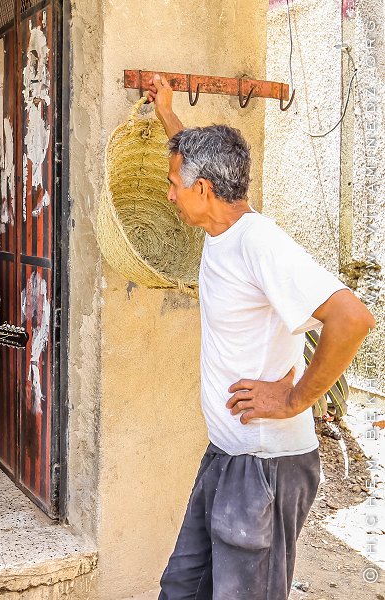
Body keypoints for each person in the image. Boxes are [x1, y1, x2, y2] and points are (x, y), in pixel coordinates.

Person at [146, 75, 376, 599]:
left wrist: (296, 399)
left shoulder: (260, 243)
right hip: (227, 455)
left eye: (174, 184)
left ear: (203, 189)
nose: (169, 193)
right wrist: (168, 113)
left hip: (265, 468)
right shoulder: (220, 229)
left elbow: (353, 319)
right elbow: (190, 161)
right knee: (182, 588)